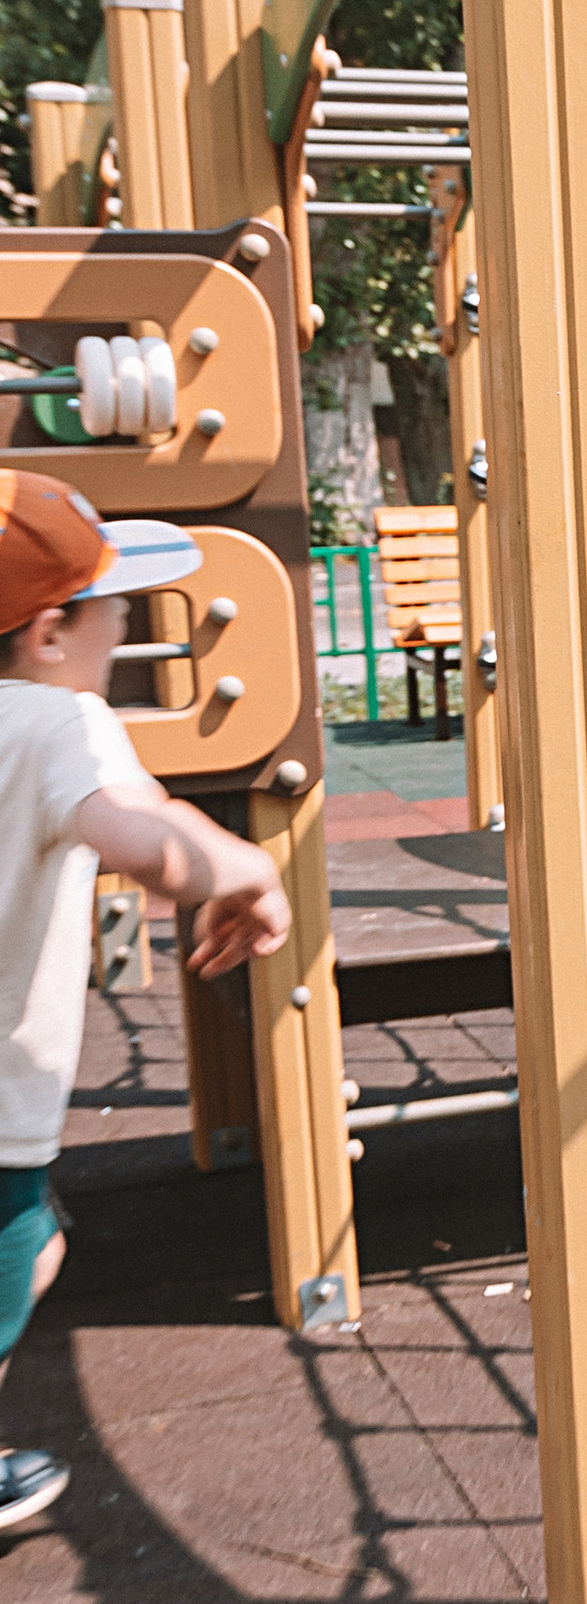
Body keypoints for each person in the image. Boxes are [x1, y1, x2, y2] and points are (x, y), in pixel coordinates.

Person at [0, 474, 290, 1530]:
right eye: (111, 607)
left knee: (38, 1246)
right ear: (48, 634)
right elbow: (146, 842)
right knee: (16, 1257)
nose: (125, 625)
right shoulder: (56, 720)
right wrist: (248, 869)